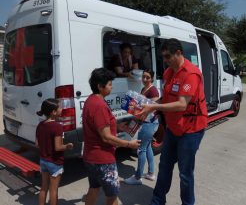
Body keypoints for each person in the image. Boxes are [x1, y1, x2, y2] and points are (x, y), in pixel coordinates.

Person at [138, 38, 208, 205]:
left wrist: (154, 107)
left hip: (191, 130)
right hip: (173, 129)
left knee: (185, 173)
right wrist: (151, 105)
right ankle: (157, 201)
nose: (166, 60)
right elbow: (167, 98)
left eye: (168, 56)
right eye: (164, 57)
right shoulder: (169, 72)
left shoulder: (191, 73)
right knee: (164, 167)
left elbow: (182, 104)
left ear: (179, 53)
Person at [82, 67, 141, 205]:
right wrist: (128, 144)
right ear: (99, 86)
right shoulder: (100, 105)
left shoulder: (91, 100)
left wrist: (119, 126)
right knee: (113, 196)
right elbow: (106, 137)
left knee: (94, 188)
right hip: (103, 159)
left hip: (90, 157)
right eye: (109, 84)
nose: (111, 87)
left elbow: (97, 126)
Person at [124, 69, 160, 185]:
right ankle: (150, 173)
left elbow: (153, 108)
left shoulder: (153, 90)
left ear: (152, 79)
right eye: (144, 77)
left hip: (149, 123)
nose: (145, 79)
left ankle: (137, 177)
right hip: (145, 122)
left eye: (148, 77)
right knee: (147, 146)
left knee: (141, 149)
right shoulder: (144, 89)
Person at [35, 98, 74, 205]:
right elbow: (58, 147)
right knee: (53, 190)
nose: (62, 109)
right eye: (60, 107)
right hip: (55, 162)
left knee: (43, 187)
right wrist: (68, 146)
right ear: (53, 112)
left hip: (43, 160)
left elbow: (37, 144)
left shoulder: (40, 125)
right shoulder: (57, 127)